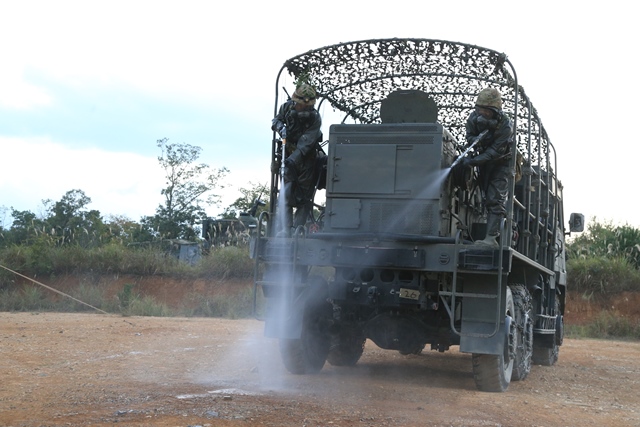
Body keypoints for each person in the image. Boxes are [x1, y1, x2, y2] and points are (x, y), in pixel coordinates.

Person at [460, 87, 514, 247]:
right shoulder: (474, 118)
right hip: (483, 160)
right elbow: (469, 136)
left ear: (495, 110)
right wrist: (476, 140)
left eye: (486, 110)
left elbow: (495, 152)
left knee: (495, 198)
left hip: (501, 163)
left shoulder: (505, 125)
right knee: (482, 195)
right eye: (479, 109)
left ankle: (491, 239)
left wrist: (474, 161)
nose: (482, 113)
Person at [271, 83, 322, 233]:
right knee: (286, 193)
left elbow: (307, 143)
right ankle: (285, 229)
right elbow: (275, 121)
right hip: (287, 155)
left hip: (306, 159)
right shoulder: (286, 108)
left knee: (304, 197)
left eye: (308, 106)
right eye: (301, 105)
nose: (304, 109)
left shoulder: (315, 118)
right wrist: (281, 127)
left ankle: (298, 230)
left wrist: (294, 159)